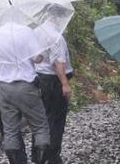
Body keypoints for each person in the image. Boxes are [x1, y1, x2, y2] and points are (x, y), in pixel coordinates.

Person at [0, 23, 51, 164]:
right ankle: (40, 160)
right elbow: (37, 58)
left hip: (4, 88)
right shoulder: (26, 32)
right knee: (40, 126)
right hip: (26, 87)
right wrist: (42, 53)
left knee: (10, 130)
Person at [33, 33, 73, 164]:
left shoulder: (35, 32)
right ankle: (53, 156)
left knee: (40, 119)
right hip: (53, 81)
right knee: (56, 119)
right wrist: (65, 84)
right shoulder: (55, 36)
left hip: (38, 78)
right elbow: (57, 62)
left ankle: (38, 155)